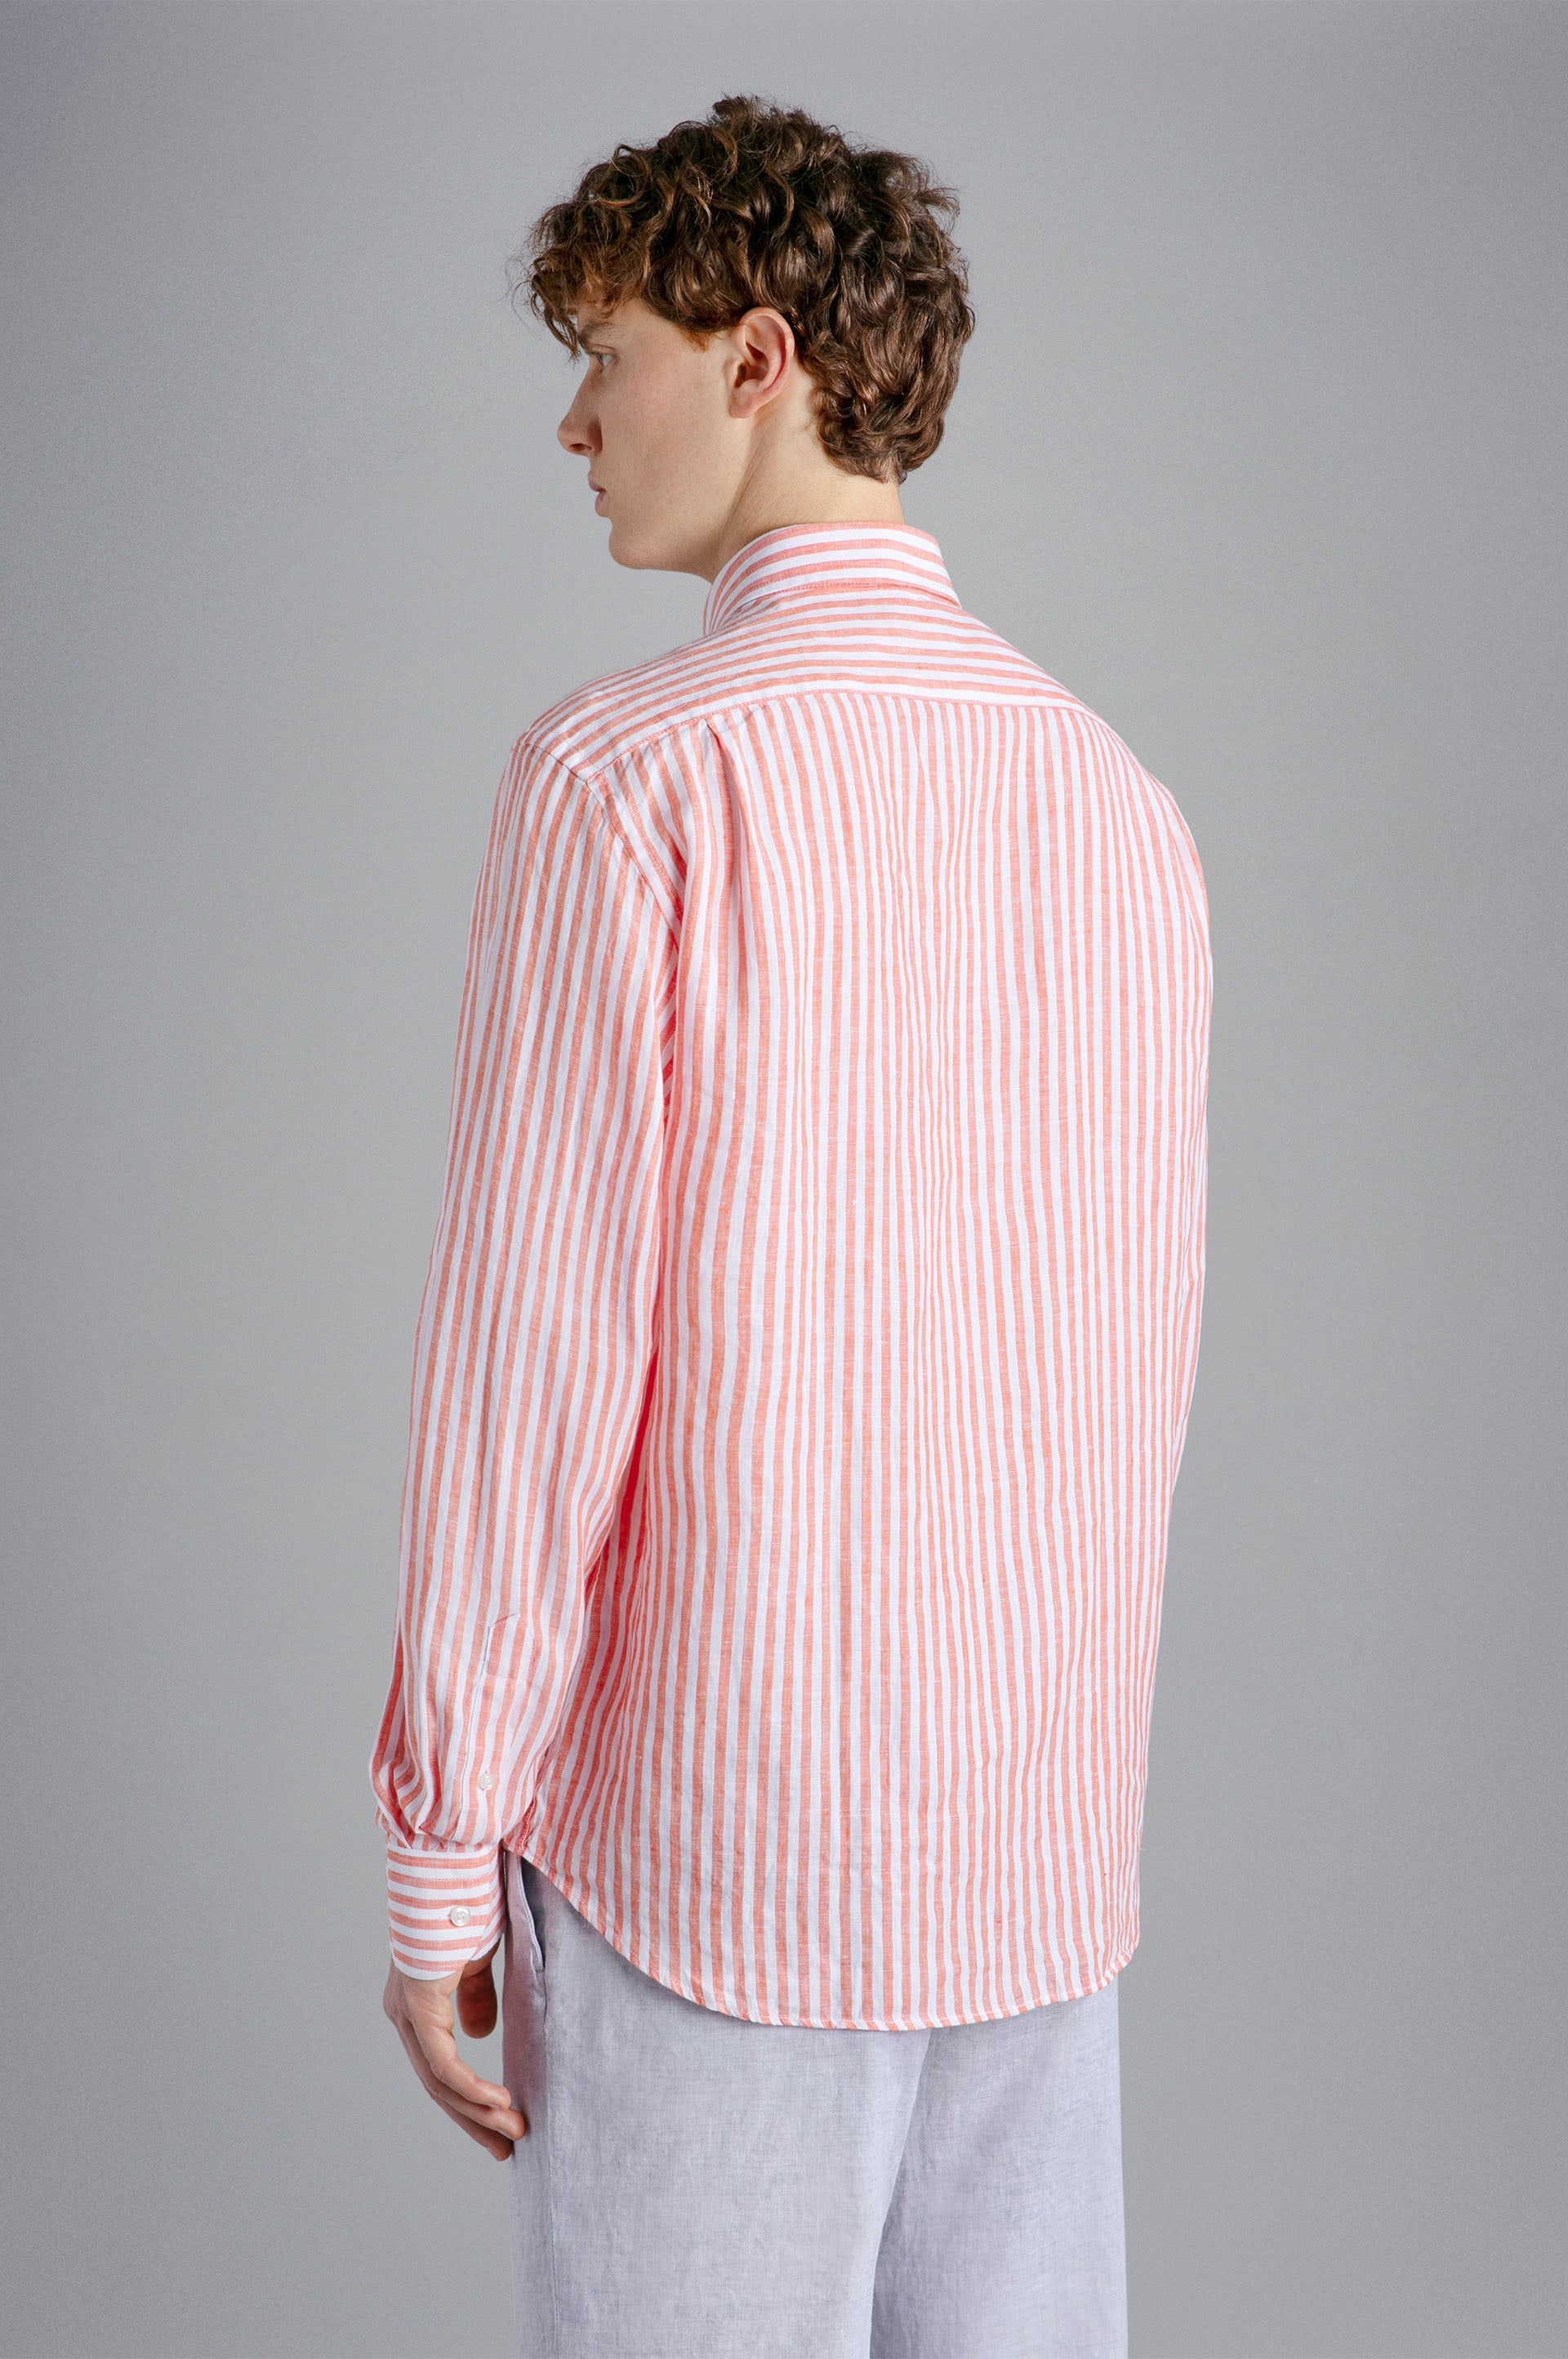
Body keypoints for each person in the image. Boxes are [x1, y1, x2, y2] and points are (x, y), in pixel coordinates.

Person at [370, 91, 1210, 2359]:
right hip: (1035, 1868)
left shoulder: (624, 778)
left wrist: (441, 1851)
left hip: (715, 1869)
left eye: (604, 353)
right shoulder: (1121, 803)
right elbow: (1129, 1374)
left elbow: (536, 1372)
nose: (571, 420)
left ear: (758, 358)